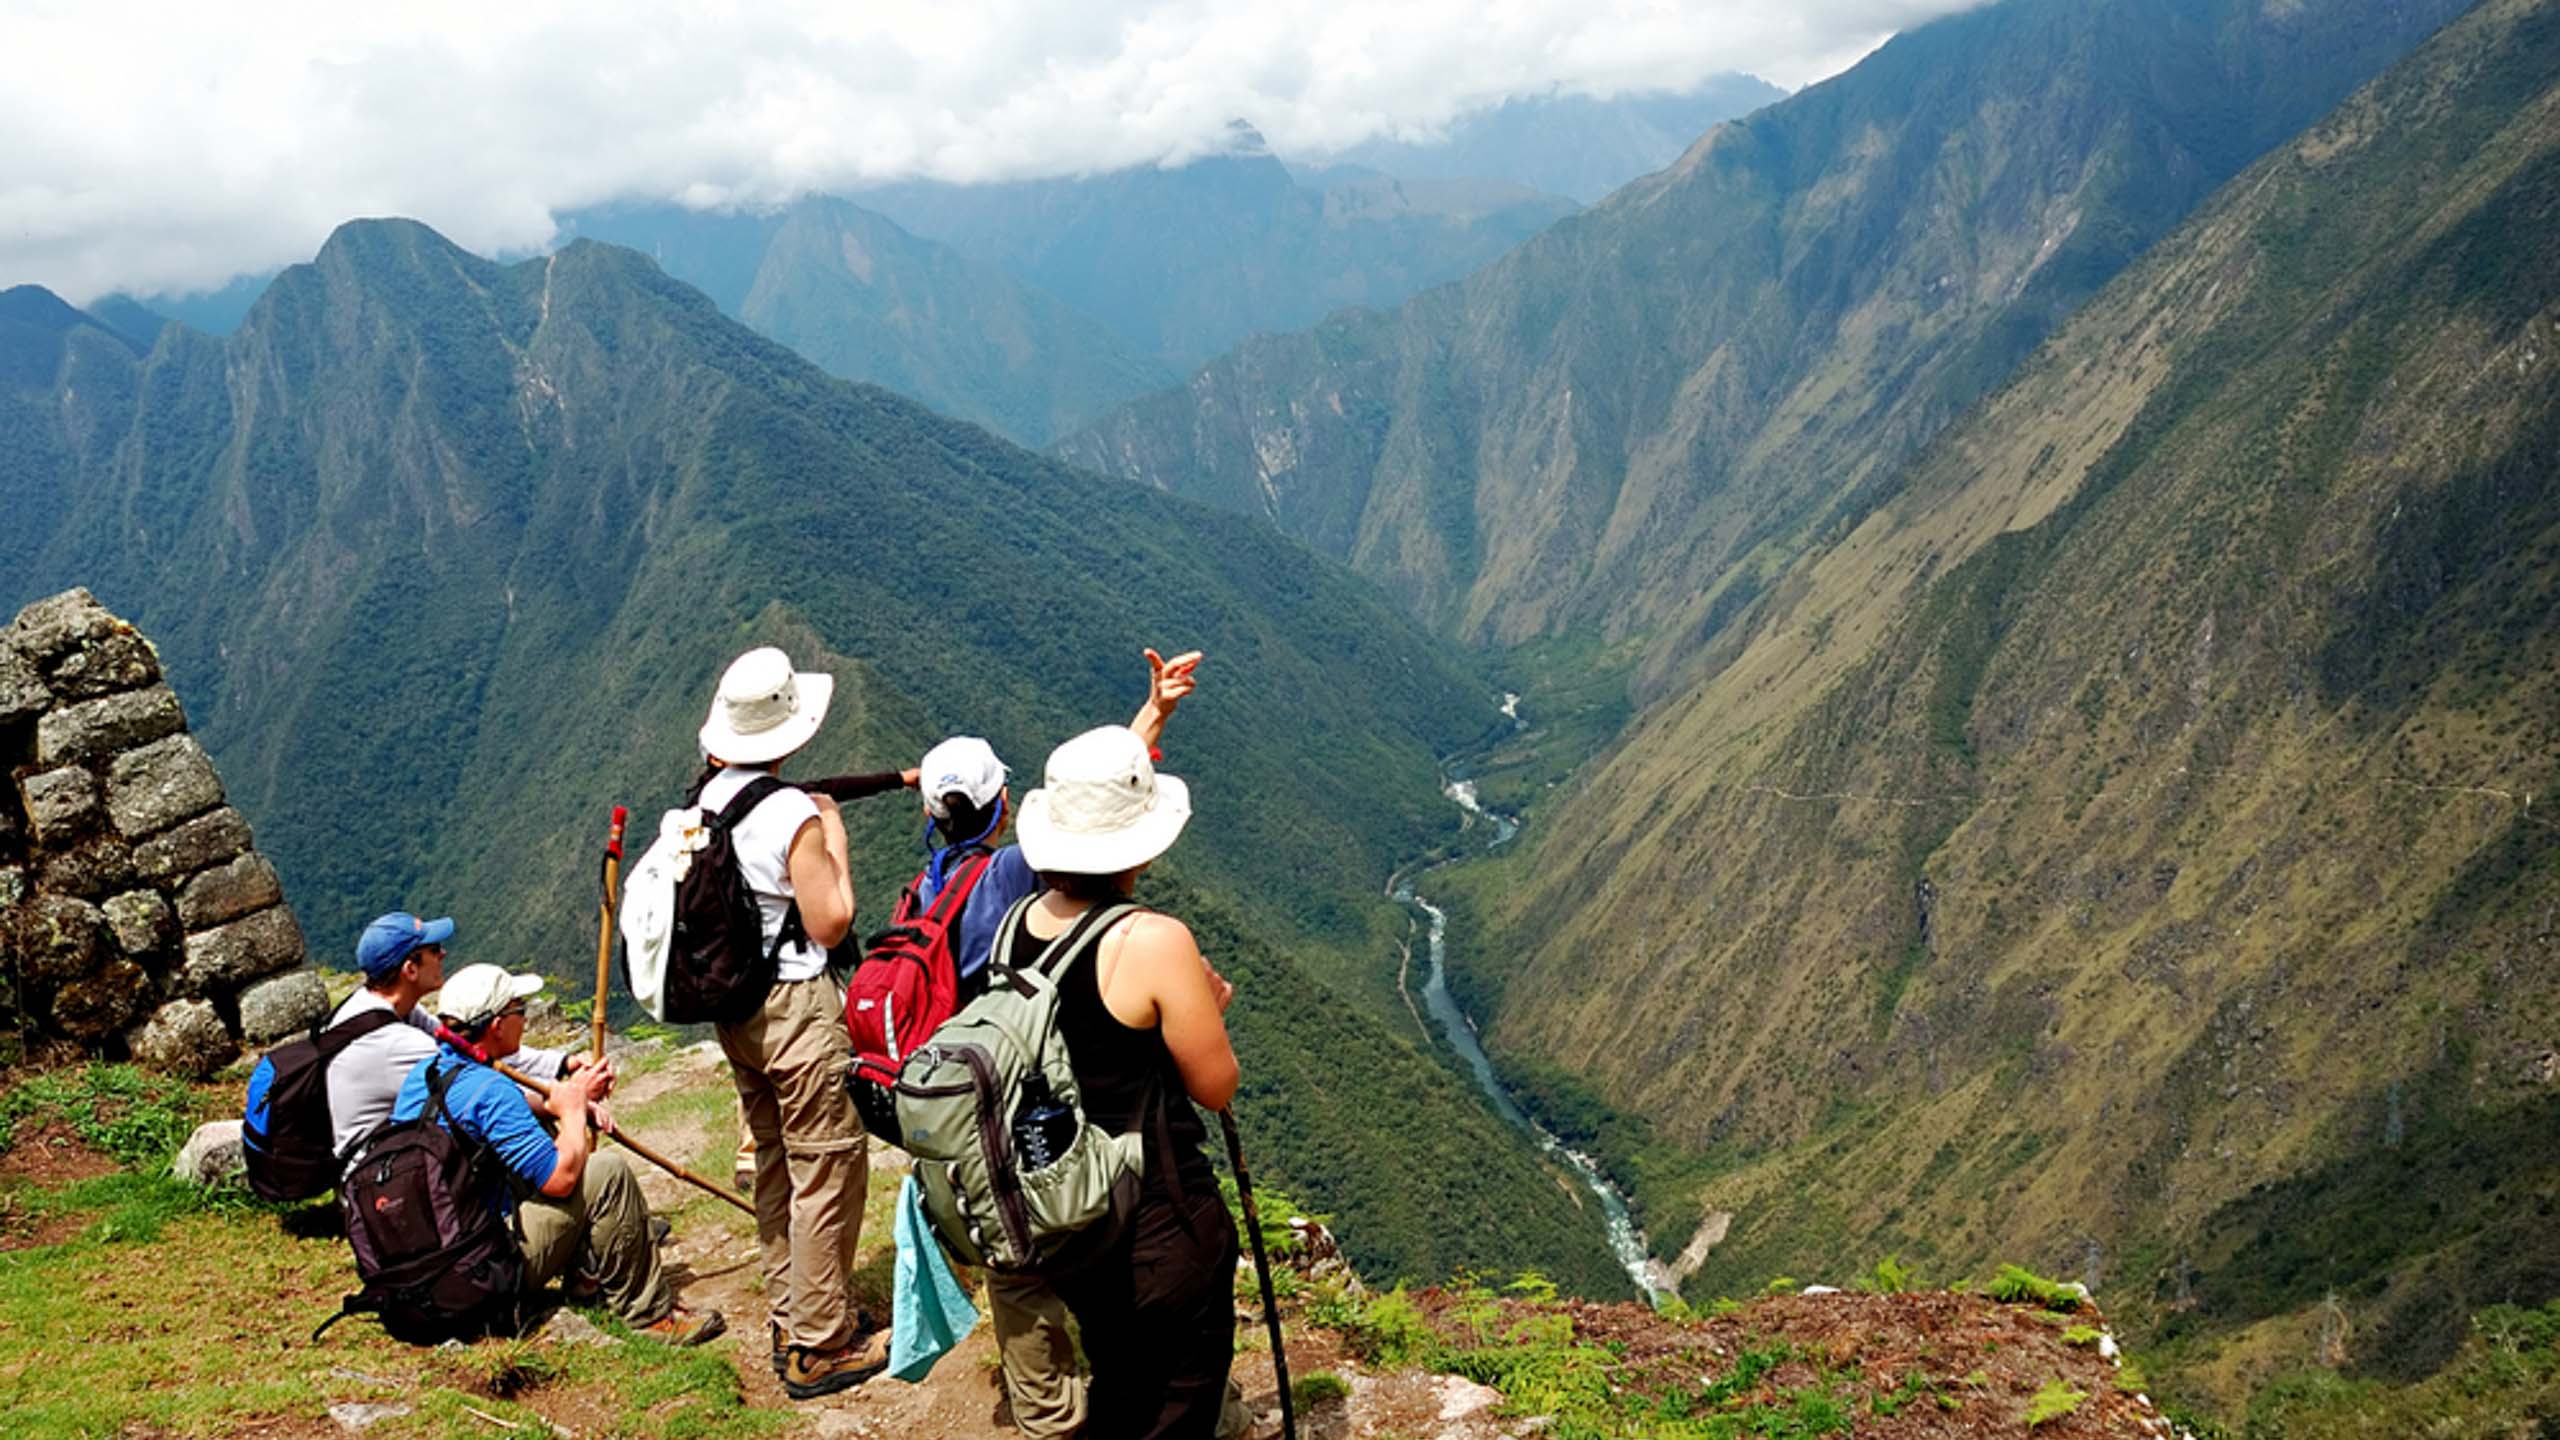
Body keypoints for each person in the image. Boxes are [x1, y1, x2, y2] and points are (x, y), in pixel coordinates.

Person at [904, 649, 1201, 1439]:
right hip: (1077, 1145)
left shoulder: (946, 888)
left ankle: (1045, 1417)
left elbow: (1088, 819)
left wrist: (1152, 720)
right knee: (1134, 1334)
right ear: (1002, 813)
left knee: (1027, 1282)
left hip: (990, 1119)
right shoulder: (1014, 879)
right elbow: (1098, 831)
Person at [1010, 724, 1242, 1439]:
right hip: (1156, 1221)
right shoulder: (1152, 938)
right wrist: (1214, 1008)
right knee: (1175, 1402)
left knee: (1119, 1378)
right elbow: (1216, 1085)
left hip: (1067, 1221)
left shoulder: (1016, 925)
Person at [692, 645, 882, 1398]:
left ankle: (791, 1310)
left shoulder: (702, 804)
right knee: (828, 1166)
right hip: (796, 1007)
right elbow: (832, 922)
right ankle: (821, 1343)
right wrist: (833, 835)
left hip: (735, 1012)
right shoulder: (791, 814)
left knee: (774, 1160)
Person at [387, 962, 721, 1343]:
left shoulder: (426, 1073)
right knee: (607, 1174)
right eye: (519, 1011)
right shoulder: (488, 1091)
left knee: (544, 1132)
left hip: (435, 1262)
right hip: (480, 1272)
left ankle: (585, 1276)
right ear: (496, 1025)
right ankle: (648, 1316)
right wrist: (574, 1110)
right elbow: (559, 1180)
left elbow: (496, 1110)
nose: (524, 1020)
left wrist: (553, 1104)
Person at [325, 911, 588, 1167]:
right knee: (521, 1126)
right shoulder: (394, 1044)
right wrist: (563, 1101)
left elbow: (466, 1046)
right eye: (434, 949)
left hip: (405, 1150)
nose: (443, 954)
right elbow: (479, 1087)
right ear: (410, 969)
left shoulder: (383, 1007)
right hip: (388, 1178)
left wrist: (564, 1064)